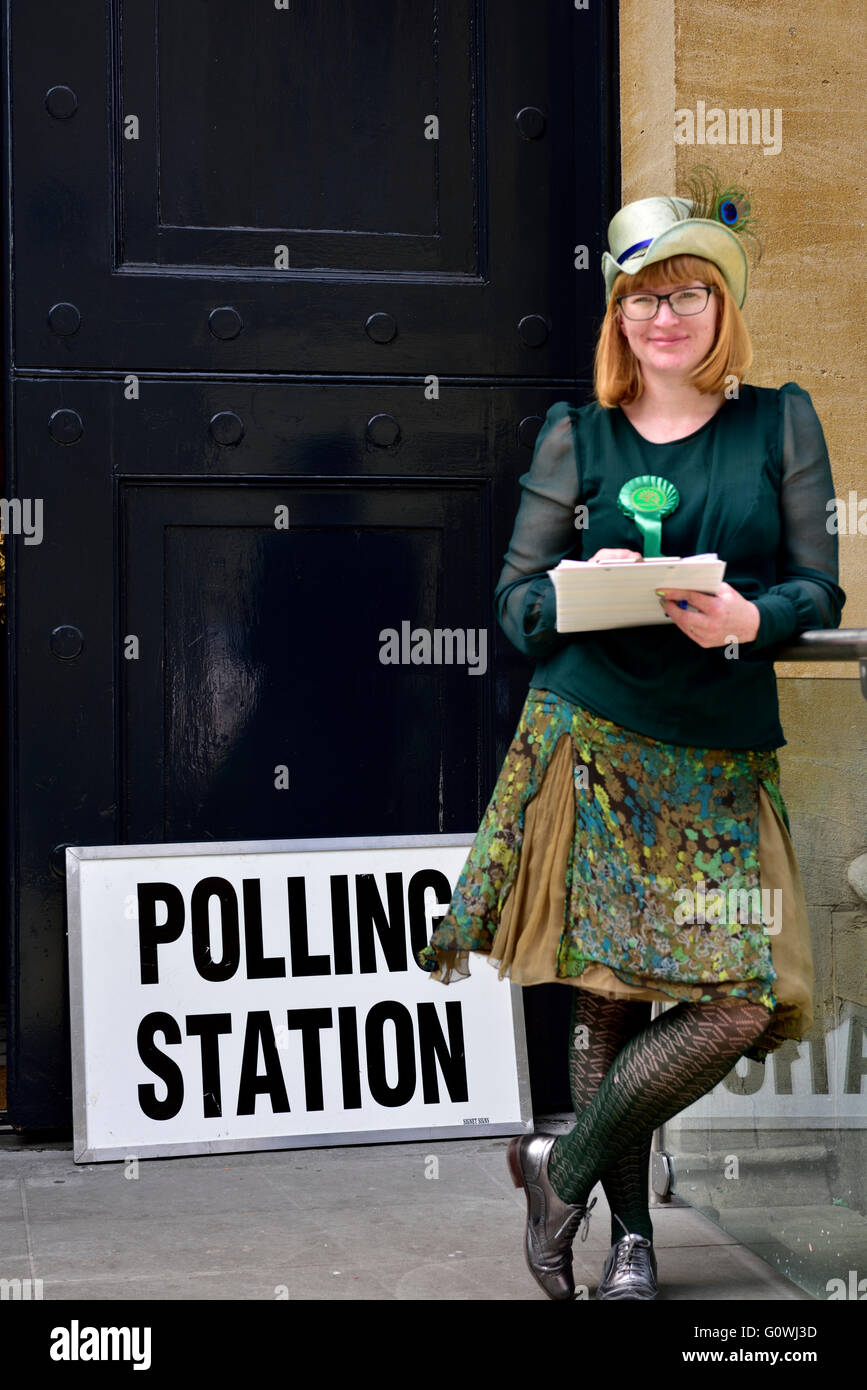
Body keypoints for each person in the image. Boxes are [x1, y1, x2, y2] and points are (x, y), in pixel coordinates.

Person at [418, 173, 847, 1300]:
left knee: (736, 1000)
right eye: (641, 298)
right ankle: (632, 1244)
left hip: (718, 751)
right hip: (595, 734)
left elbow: (820, 584)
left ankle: (553, 1165)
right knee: (608, 993)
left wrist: (757, 616)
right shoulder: (579, 439)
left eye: (688, 292)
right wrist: (576, 586)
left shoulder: (779, 419)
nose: (665, 314)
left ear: (722, 306)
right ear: (618, 319)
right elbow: (512, 607)